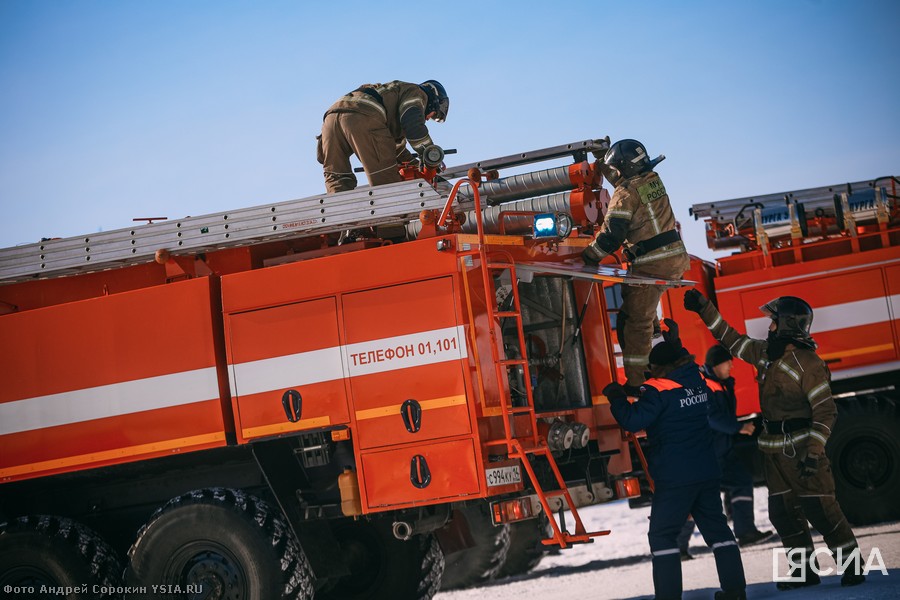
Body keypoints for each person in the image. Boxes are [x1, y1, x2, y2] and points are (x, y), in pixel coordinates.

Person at [683, 290, 865, 589]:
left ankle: (853, 566)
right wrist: (704, 309)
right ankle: (804, 573)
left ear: (789, 324)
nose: (768, 327)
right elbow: (730, 339)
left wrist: (814, 450)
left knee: (821, 509)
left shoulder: (809, 363)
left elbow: (825, 410)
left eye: (773, 322)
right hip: (774, 452)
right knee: (782, 514)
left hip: (802, 450)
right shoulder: (765, 354)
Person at [605, 319, 747, 600]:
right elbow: (678, 376)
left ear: (657, 370)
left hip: (675, 478)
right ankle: (735, 591)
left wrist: (616, 398)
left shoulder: (657, 391)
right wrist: (675, 343)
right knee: (718, 531)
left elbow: (634, 420)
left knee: (662, 536)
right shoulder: (696, 379)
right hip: (706, 471)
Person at [582, 139, 689, 394]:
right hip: (672, 258)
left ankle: (638, 384)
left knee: (634, 323)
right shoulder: (652, 179)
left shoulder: (625, 195)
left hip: (652, 264)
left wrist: (587, 257)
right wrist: (602, 157)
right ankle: (658, 348)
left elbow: (611, 236)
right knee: (644, 312)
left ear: (622, 168)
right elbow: (622, 176)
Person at [317, 80, 449, 194]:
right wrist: (430, 154)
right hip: (362, 116)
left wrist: (414, 166)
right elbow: (413, 124)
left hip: (331, 120)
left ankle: (341, 220)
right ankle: (391, 224)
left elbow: (396, 151)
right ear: (433, 100)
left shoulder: (392, 100)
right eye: (432, 115)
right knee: (386, 183)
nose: (427, 118)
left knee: (338, 179)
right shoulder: (417, 92)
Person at [704, 344, 774, 547]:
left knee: (740, 481)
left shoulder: (722, 384)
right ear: (717, 364)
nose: (731, 368)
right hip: (711, 452)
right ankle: (677, 545)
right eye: (728, 363)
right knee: (697, 497)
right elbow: (712, 418)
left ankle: (745, 532)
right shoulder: (707, 386)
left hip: (722, 449)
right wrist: (739, 427)